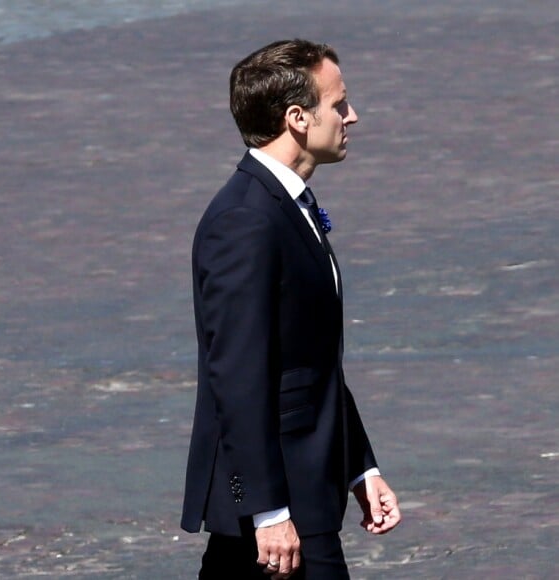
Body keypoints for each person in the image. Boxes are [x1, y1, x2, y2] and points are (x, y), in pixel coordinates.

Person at [181, 38, 401, 579]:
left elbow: (311, 361)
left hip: (308, 493)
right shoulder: (246, 221)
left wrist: (360, 468)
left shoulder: (288, 205)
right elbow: (236, 375)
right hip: (280, 511)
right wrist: (267, 511)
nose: (352, 115)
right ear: (298, 117)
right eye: (339, 104)